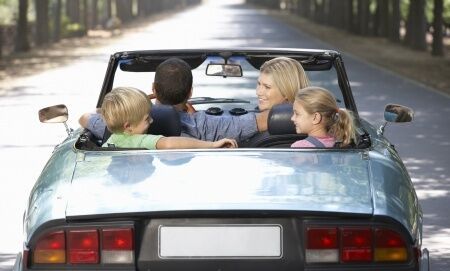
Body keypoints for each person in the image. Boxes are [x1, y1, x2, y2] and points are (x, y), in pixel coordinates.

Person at [80, 58, 266, 142]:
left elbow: (85, 118)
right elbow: (258, 122)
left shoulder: (116, 125)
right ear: (190, 93)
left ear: (154, 89)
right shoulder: (202, 125)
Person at [101, 87, 237, 149]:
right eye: (147, 119)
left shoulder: (109, 143)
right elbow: (169, 143)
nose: (152, 121)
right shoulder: (139, 141)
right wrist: (213, 144)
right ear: (128, 127)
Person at [290, 86, 356, 148]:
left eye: (297, 114)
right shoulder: (339, 141)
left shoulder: (300, 147)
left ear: (315, 118)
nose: (292, 118)